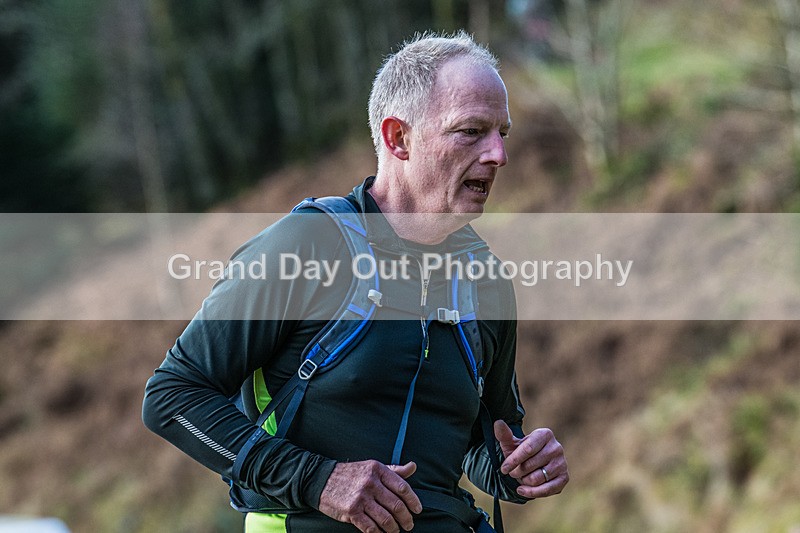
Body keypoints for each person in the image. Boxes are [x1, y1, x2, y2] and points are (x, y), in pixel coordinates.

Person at [143, 31, 568, 533]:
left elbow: (482, 443)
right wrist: (317, 480)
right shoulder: (309, 245)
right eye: (471, 131)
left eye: (502, 133)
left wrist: (520, 470)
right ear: (398, 138)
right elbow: (172, 396)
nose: (498, 154)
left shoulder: (487, 281)